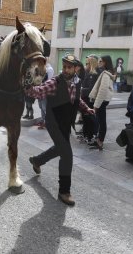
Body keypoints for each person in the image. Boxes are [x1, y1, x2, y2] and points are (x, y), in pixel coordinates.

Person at [26, 54, 94, 206]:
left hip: (66, 123)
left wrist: (86, 108)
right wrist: (28, 86)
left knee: (60, 149)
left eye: (69, 67)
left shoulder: (77, 82)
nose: (66, 69)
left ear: (76, 68)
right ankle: (64, 191)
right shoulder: (55, 82)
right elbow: (38, 91)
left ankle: (37, 160)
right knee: (67, 155)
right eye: (64, 66)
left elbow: (77, 99)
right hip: (54, 122)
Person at [88, 55, 115, 150]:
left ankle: (100, 142)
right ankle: (99, 140)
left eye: (100, 61)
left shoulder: (105, 75)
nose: (99, 63)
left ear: (105, 63)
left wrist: (96, 105)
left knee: (102, 121)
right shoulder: (106, 73)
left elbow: (102, 91)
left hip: (102, 101)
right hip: (103, 101)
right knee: (101, 120)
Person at [80, 55, 99, 143]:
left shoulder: (94, 74)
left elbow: (91, 89)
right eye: (86, 63)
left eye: (87, 63)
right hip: (84, 98)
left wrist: (81, 89)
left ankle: (89, 136)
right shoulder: (87, 72)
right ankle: (85, 135)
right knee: (85, 118)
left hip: (89, 99)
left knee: (89, 119)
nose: (86, 65)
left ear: (91, 64)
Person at [36, 61, 54, 129]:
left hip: (44, 92)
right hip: (39, 91)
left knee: (44, 108)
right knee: (41, 107)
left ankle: (48, 122)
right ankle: (43, 121)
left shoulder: (49, 69)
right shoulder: (40, 70)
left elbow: (48, 82)